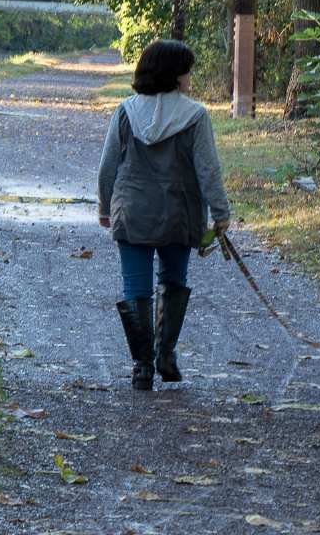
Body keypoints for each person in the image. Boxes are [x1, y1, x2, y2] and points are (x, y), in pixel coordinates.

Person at [97, 39, 230, 390]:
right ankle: (165, 355)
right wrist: (221, 212)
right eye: (187, 70)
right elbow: (208, 170)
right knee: (173, 281)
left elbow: (108, 165)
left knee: (135, 286)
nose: (190, 76)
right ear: (174, 74)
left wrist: (104, 206)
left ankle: (142, 366)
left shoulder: (125, 111)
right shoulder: (195, 115)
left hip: (133, 209)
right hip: (178, 211)